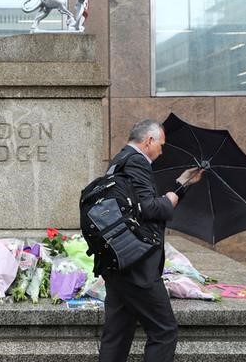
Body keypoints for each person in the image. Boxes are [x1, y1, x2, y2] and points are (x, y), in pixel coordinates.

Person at [98, 119, 203, 362]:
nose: (161, 151)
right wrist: (168, 200)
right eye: (161, 145)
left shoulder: (120, 161)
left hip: (119, 261)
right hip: (138, 266)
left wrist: (181, 185)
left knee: (117, 333)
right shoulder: (136, 161)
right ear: (149, 141)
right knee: (164, 330)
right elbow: (147, 208)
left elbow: (134, 206)